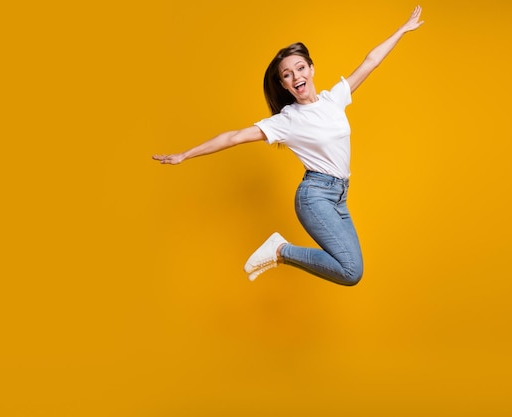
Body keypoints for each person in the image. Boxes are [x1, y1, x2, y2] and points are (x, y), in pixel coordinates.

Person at [153, 6, 424, 285]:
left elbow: (370, 62)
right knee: (350, 271)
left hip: (339, 197)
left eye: (300, 68)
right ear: (284, 85)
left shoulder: (334, 99)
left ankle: (280, 251)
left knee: (353, 271)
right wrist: (185, 155)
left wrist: (402, 30)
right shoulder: (287, 120)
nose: (296, 77)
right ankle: (280, 250)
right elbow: (233, 136)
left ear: (311, 69)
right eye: (287, 75)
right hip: (314, 196)